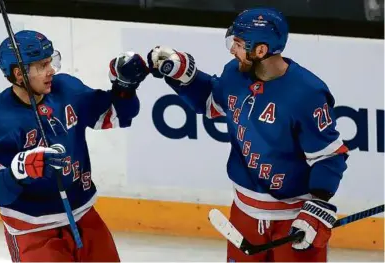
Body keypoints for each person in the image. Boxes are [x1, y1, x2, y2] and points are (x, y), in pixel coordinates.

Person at [145, 8, 349, 262]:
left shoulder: (307, 94)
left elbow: (328, 156)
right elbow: (212, 102)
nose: (232, 50)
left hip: (292, 216)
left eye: (238, 44)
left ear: (261, 51)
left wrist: (317, 206)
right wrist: (183, 75)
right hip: (244, 214)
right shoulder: (234, 74)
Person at [0, 30, 149, 262]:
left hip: (84, 216)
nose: (51, 70)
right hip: (33, 229)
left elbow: (115, 114)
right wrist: (18, 171)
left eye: (51, 61)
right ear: (19, 73)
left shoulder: (66, 90)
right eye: (42, 65)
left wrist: (125, 86)